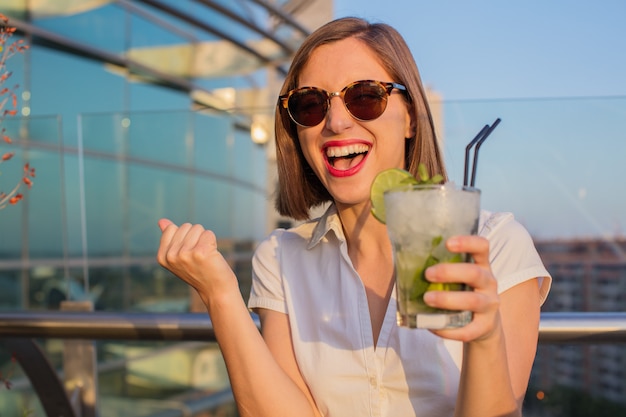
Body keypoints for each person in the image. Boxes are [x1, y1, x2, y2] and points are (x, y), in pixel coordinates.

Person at [157, 17, 551, 417]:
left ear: (412, 116)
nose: (336, 122)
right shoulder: (280, 258)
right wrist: (220, 294)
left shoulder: (495, 244)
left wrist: (484, 337)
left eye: (364, 96)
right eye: (311, 105)